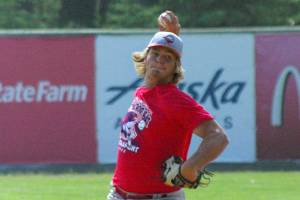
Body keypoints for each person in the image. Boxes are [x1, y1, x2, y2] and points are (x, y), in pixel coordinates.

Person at [107, 11, 229, 200]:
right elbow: (160, 70)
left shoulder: (173, 98)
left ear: (175, 67)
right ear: (146, 57)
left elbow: (218, 137)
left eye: (168, 58)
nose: (159, 60)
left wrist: (192, 166)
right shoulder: (145, 91)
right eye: (155, 54)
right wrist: (171, 38)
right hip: (119, 194)